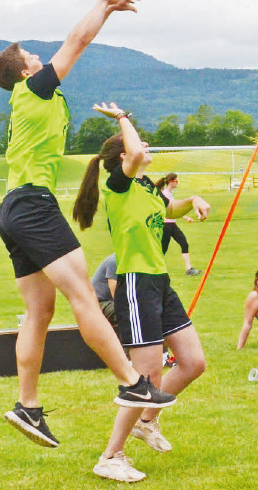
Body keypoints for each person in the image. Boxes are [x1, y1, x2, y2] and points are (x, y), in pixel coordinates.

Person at [0, 0, 175, 463]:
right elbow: (77, 42)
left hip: (11, 209)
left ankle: (28, 405)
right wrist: (105, 5)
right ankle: (133, 383)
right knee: (80, 297)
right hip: (32, 205)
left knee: (39, 313)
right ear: (26, 70)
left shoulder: (31, 101)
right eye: (33, 55)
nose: (40, 57)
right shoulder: (32, 88)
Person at [72, 102, 211, 480]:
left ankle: (146, 422)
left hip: (160, 281)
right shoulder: (119, 183)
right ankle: (111, 456)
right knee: (144, 377)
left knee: (193, 362)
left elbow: (171, 210)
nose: (147, 149)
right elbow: (134, 151)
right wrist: (122, 118)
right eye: (141, 146)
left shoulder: (148, 186)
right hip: (134, 283)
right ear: (124, 156)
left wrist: (193, 202)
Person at [154, 173, 201, 276]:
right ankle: (154, 270)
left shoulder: (169, 194)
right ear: (171, 182)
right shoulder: (165, 194)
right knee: (163, 249)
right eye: (176, 181)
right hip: (166, 225)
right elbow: (168, 211)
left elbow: (174, 210)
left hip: (172, 224)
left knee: (184, 243)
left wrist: (186, 217)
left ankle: (189, 270)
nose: (177, 183)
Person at [92, 253, 119, 326]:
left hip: (110, 302)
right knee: (128, 312)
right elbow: (117, 296)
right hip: (99, 303)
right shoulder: (114, 261)